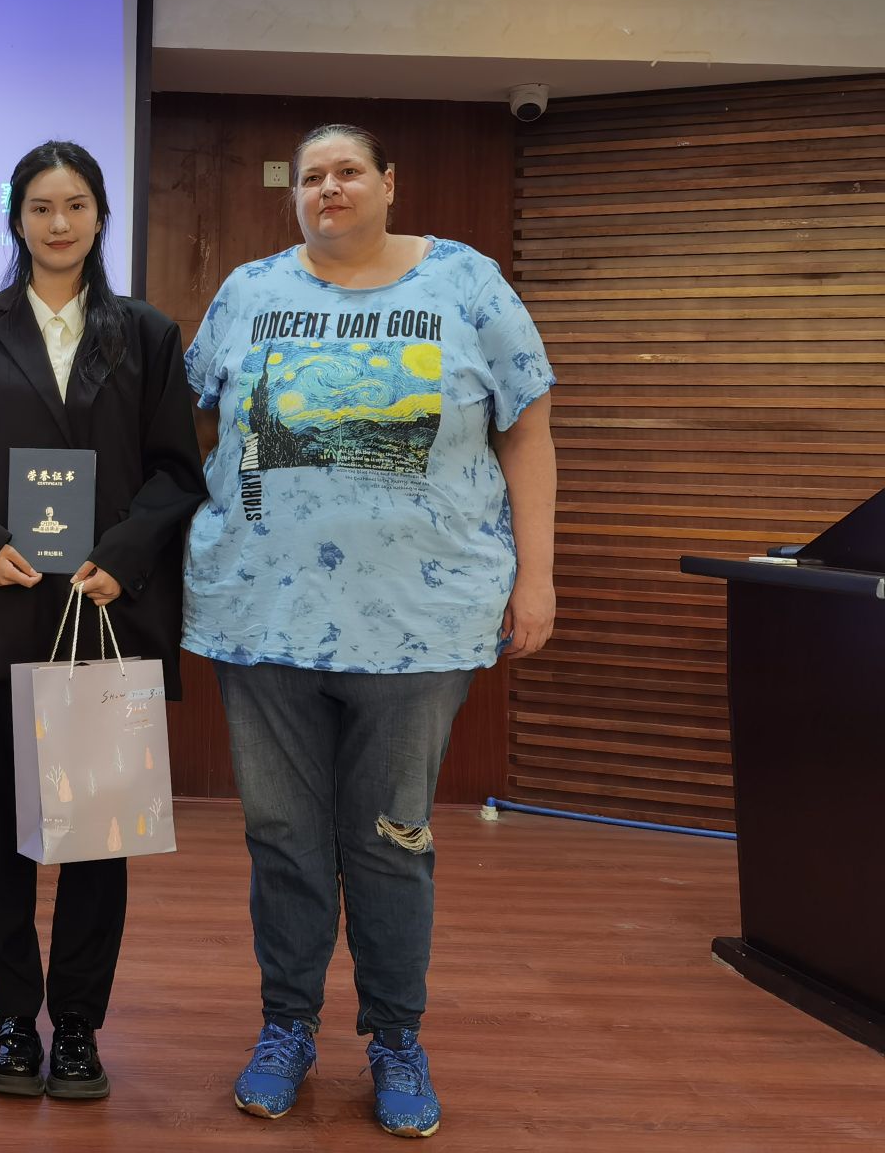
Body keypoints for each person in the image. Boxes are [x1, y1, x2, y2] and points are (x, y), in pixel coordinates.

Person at [182, 122, 556, 1138]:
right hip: (261, 616)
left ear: (388, 183)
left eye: (347, 171)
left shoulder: (465, 283)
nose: (329, 188)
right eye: (312, 177)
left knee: (391, 841)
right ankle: (286, 1027)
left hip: (417, 624)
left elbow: (527, 431)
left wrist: (536, 578)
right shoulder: (249, 291)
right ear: (294, 196)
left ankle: (394, 1037)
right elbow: (200, 426)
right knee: (281, 840)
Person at [0, 140, 204, 1101]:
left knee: (97, 839)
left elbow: (176, 471)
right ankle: (11, 1018)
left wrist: (123, 556)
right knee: (1, 838)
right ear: (17, 219)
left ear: (100, 216)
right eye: (41, 207)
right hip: (2, 606)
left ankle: (76, 1024)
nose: (59, 222)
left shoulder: (147, 333)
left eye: (76, 205)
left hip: (106, 614)